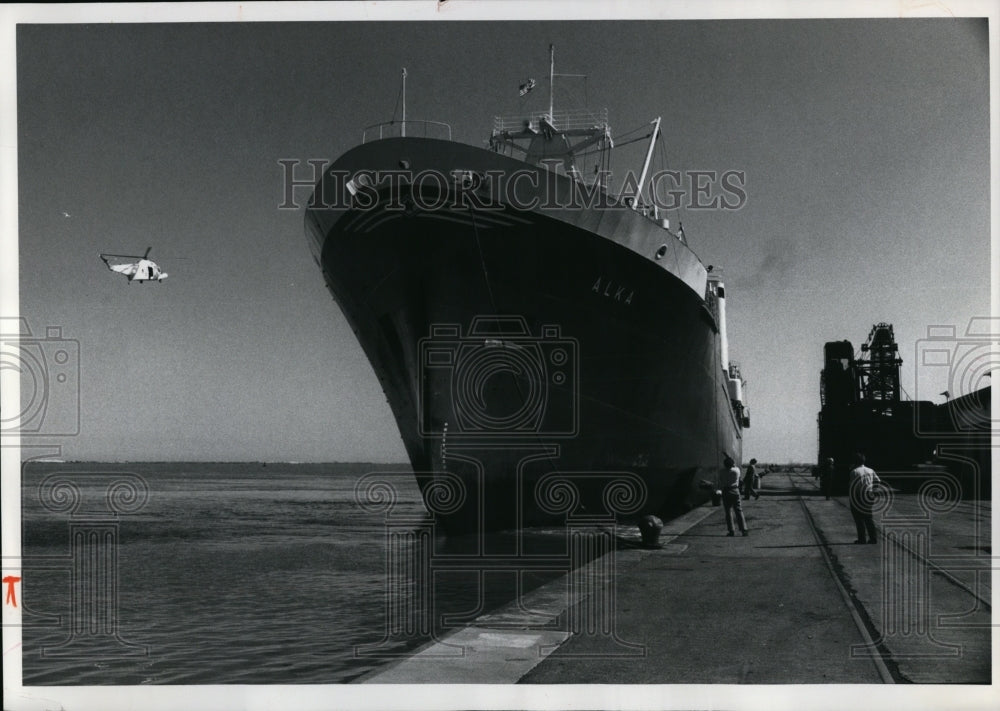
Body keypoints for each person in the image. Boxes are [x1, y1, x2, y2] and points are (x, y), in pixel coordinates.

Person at [848, 452, 882, 544]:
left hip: (858, 495)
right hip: (869, 495)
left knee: (859, 518)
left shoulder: (854, 472)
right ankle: (873, 538)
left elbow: (852, 487)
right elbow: (878, 481)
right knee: (868, 517)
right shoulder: (870, 470)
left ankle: (862, 539)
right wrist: (874, 490)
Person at [718, 455, 748, 536]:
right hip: (735, 490)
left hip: (726, 491)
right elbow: (734, 465)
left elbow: (720, 480)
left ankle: (731, 531)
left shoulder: (721, 471)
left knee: (728, 511)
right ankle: (744, 530)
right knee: (738, 510)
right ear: (732, 464)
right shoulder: (736, 470)